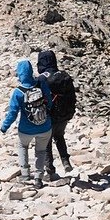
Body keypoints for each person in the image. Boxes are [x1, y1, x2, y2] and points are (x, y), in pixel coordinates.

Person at [0, 60, 53, 189]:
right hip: (45, 127)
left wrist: (4, 127)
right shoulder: (41, 84)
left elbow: (12, 113)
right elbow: (49, 102)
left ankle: (25, 174)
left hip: (26, 129)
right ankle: (38, 178)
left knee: (23, 146)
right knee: (40, 151)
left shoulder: (18, 92)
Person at [36, 50, 76, 179]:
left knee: (46, 142)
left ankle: (50, 169)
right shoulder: (64, 75)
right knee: (59, 136)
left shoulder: (42, 79)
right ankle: (65, 161)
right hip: (65, 114)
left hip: (49, 116)